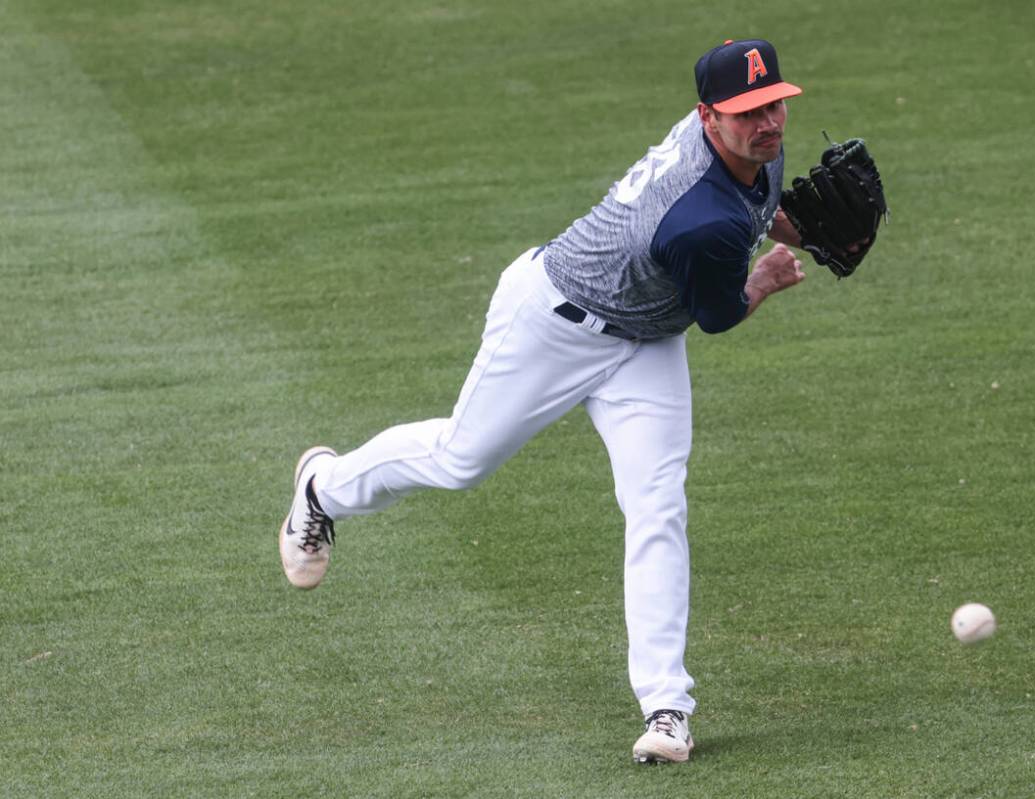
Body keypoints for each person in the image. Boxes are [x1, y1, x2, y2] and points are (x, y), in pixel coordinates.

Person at [280, 38, 807, 764]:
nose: (768, 123)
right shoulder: (695, 215)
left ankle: (666, 707)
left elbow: (759, 197)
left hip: (645, 342)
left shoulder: (756, 150)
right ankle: (322, 486)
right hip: (552, 322)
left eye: (773, 103)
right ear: (705, 117)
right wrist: (770, 276)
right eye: (747, 112)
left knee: (657, 505)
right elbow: (719, 311)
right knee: (459, 459)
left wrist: (791, 223)